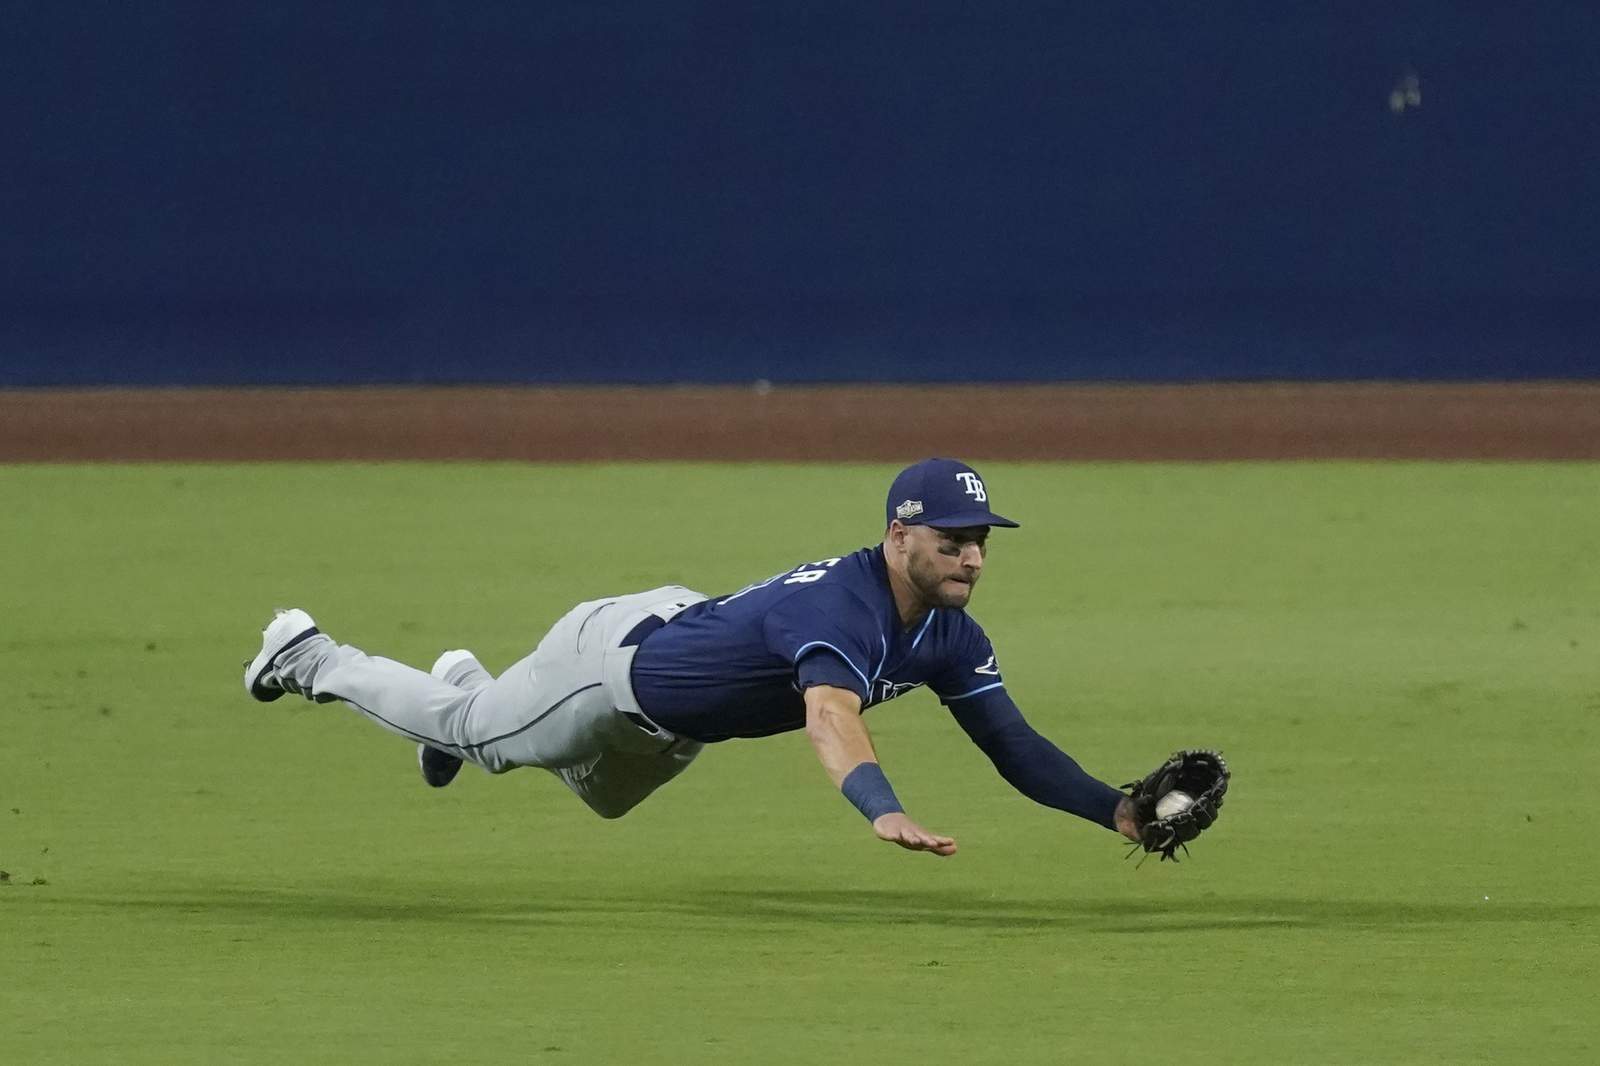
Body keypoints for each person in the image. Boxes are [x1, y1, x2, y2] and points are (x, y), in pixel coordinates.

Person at [245, 458, 1145, 855]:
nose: (974, 556)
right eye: (953, 539)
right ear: (899, 534)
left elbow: (1013, 746)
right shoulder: (846, 605)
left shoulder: (950, 633)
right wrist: (880, 808)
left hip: (680, 695)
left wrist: (1119, 812)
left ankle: (472, 685)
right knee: (483, 739)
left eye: (982, 539)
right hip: (610, 669)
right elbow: (830, 716)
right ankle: (309, 651)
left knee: (601, 801)